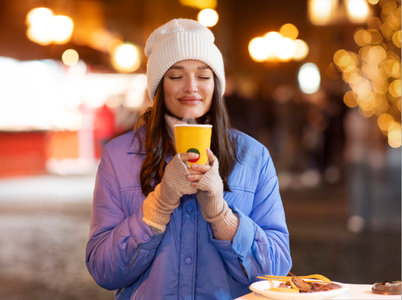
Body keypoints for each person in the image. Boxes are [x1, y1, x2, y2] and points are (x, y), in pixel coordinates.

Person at [86, 18, 292, 299]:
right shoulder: (119, 156)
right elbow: (103, 270)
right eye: (176, 75)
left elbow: (276, 273)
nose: (191, 86)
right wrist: (159, 204)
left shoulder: (253, 156)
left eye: (204, 76)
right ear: (159, 86)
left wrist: (222, 216)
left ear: (216, 85)